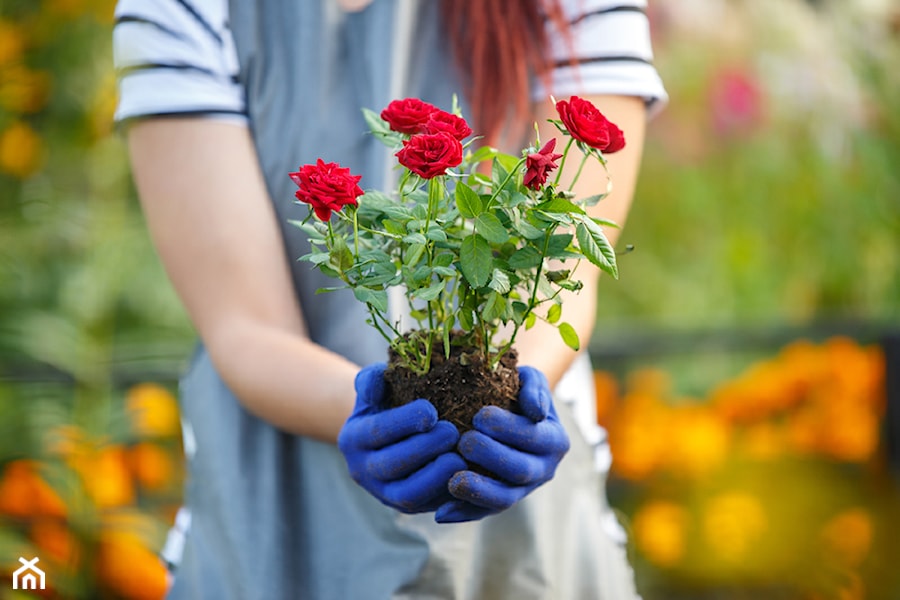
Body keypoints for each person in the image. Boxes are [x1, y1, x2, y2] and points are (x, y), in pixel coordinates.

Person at [113, 0, 667, 597]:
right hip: (278, 513)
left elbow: (563, 264)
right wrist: (370, 410)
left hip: (531, 544)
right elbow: (244, 325)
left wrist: (512, 397)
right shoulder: (184, 8)